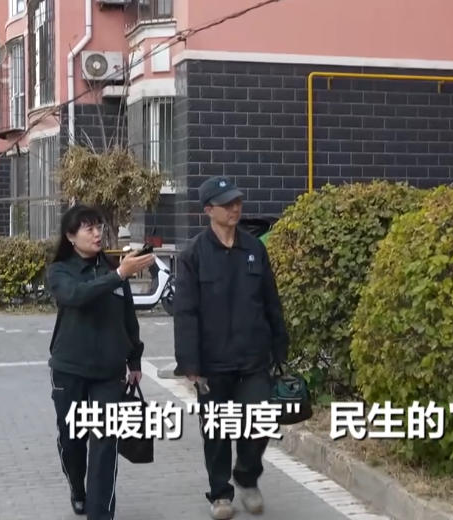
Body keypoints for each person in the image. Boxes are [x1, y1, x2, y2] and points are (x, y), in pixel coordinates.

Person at [173, 176, 290, 520]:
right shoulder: (193, 254)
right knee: (217, 430)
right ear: (208, 210)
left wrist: (280, 346)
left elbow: (271, 301)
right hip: (212, 363)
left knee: (261, 418)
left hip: (253, 357)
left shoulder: (254, 249)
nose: (235, 209)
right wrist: (189, 363)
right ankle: (220, 493)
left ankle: (247, 476)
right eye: (227, 204)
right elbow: (185, 312)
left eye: (237, 202)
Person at [46, 205, 154, 520]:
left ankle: (100, 513)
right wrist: (119, 274)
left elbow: (128, 317)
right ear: (70, 236)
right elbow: (76, 296)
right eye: (89, 228)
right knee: (72, 440)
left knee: (106, 443)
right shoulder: (60, 271)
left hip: (108, 373)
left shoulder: (113, 270)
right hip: (70, 370)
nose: (97, 234)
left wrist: (135, 359)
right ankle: (77, 489)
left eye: (99, 227)